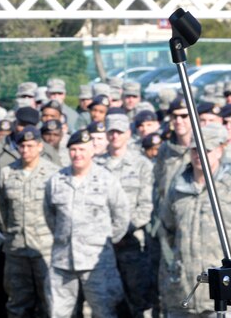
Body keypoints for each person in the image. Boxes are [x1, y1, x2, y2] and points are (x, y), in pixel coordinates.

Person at [158, 124, 231, 317]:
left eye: (206, 150)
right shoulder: (177, 191)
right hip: (185, 292)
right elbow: (168, 231)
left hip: (226, 294)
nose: (199, 154)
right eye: (195, 149)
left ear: (219, 150)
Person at [44, 129, 130, 318]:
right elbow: (50, 216)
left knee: (103, 312)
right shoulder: (56, 181)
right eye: (73, 149)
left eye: (82, 149)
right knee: (58, 313)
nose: (77, 154)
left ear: (92, 151)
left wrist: (103, 241)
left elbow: (121, 215)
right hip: (62, 262)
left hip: (97, 263)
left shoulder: (106, 179)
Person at [94, 113, 155, 317]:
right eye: (111, 132)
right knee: (105, 300)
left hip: (132, 243)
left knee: (136, 299)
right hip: (101, 243)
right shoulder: (95, 165)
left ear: (128, 134)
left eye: (119, 132)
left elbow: (146, 206)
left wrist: (121, 231)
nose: (115, 136)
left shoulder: (141, 165)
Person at [0, 126, 59, 318]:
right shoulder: (6, 174)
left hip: (45, 249)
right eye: (22, 146)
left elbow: (58, 212)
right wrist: (11, 233)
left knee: (50, 302)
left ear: (40, 146)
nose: (26, 150)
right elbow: (1, 210)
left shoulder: (53, 174)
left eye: (30, 146)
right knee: (17, 303)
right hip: (16, 250)